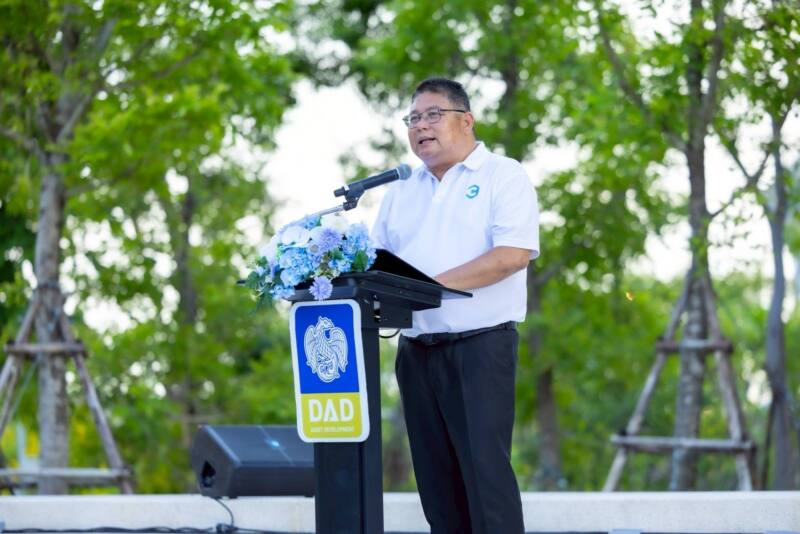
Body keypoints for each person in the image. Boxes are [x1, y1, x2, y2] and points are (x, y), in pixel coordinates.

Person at [371, 77, 539, 534]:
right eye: (412, 119)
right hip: (415, 354)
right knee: (437, 489)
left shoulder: (502, 175)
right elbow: (374, 264)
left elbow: (511, 256)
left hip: (480, 349)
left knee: (486, 483)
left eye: (432, 115)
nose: (420, 126)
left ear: (466, 120)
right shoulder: (400, 191)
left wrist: (426, 288)